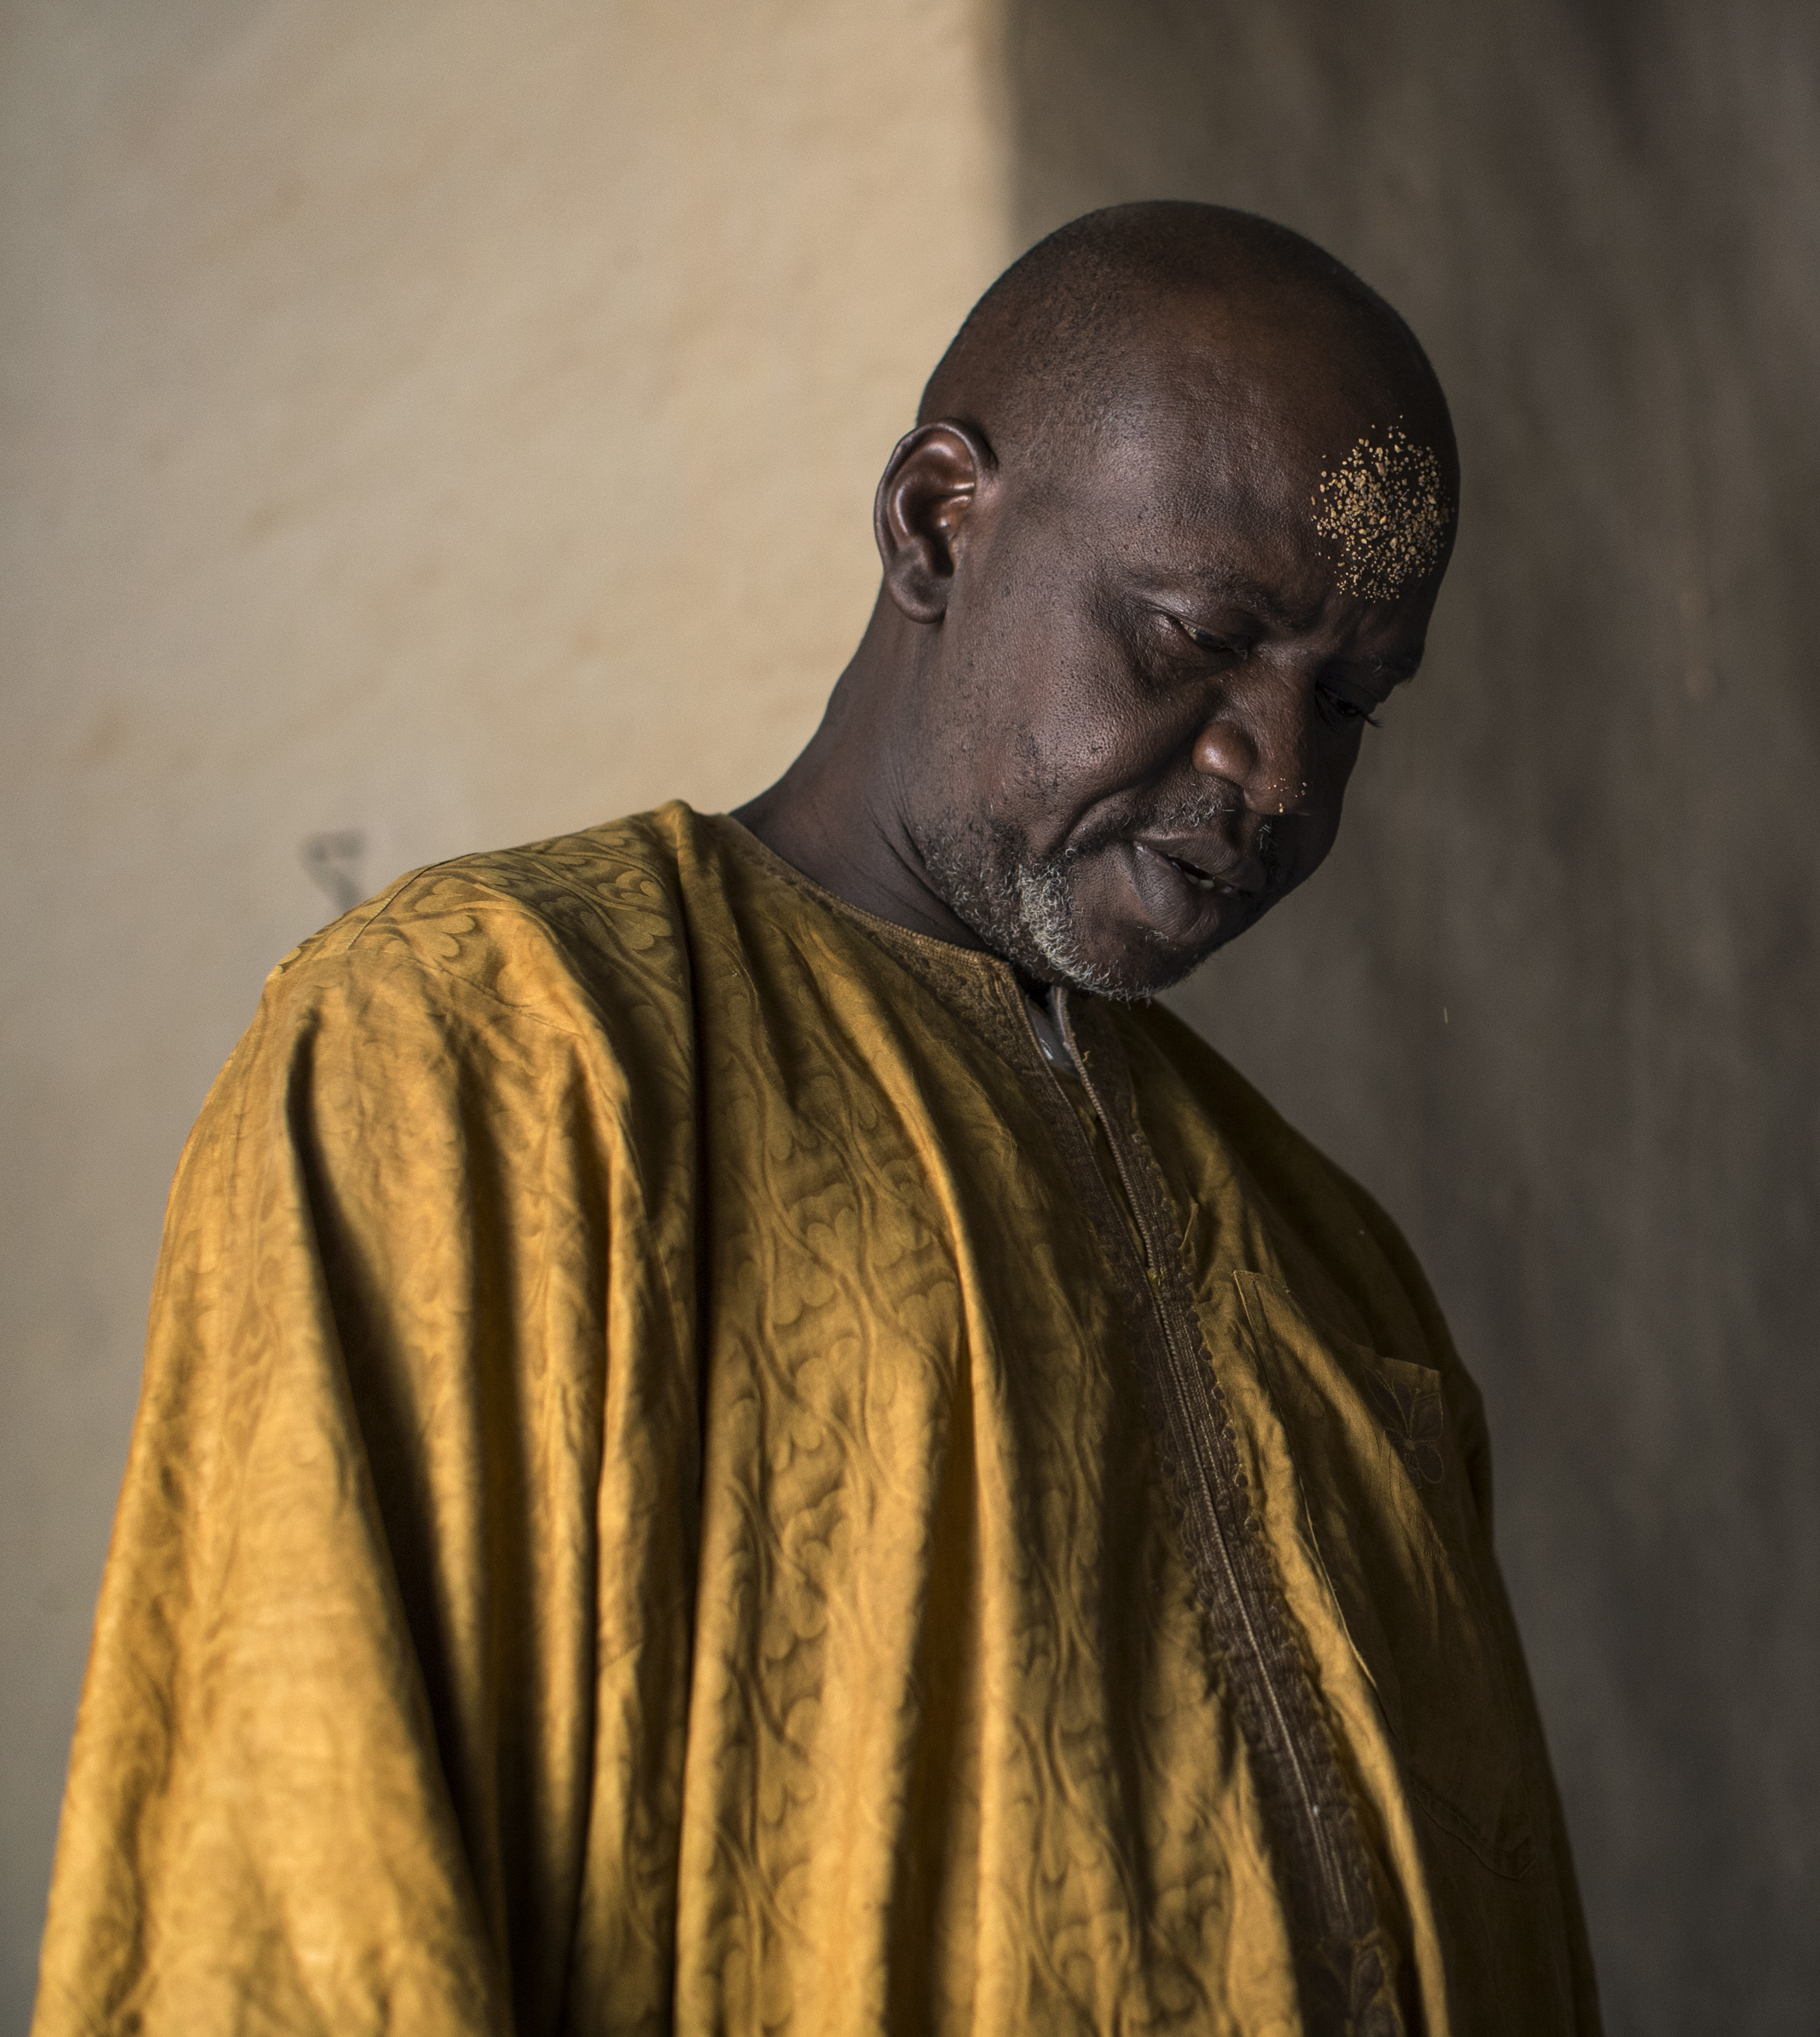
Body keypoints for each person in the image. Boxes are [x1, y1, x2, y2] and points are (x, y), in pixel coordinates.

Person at [34, 202, 1597, 2037]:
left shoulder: (1339, 1269)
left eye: (1350, 702)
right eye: (1199, 634)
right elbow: (297, 1906)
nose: (1276, 766)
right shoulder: (498, 1047)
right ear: (937, 522)